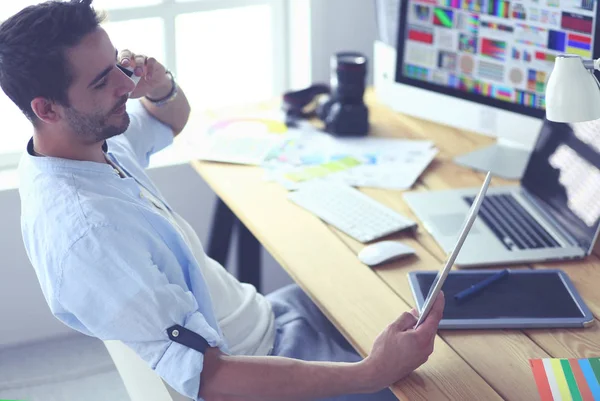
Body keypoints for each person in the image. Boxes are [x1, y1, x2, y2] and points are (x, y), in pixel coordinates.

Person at [0, 1, 445, 400]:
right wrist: (371, 373)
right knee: (461, 378)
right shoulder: (89, 235)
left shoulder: (84, 141)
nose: (125, 84)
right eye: (103, 81)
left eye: (118, 64)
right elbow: (210, 379)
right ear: (47, 108)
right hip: (257, 367)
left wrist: (159, 85)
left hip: (267, 318)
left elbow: (168, 121)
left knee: (402, 302)